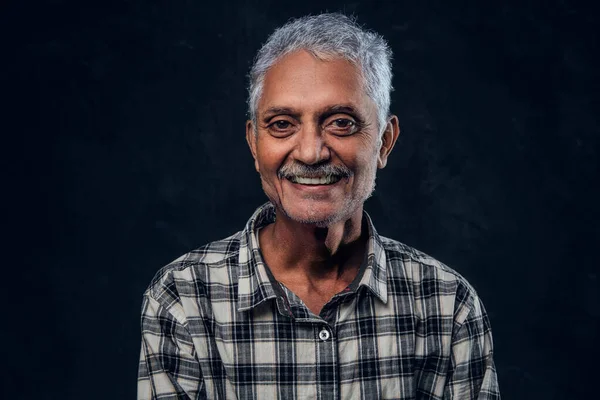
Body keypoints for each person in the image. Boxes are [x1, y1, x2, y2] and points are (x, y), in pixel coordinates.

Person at [137, 13, 500, 400]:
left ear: (384, 142)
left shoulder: (447, 304)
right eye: (281, 124)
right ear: (254, 146)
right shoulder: (183, 298)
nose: (311, 152)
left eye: (341, 123)